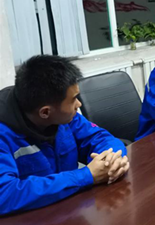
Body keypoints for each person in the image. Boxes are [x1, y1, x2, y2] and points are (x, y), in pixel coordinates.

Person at [0, 56, 129, 215]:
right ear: (45, 112)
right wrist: (85, 176)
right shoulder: (4, 133)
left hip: (70, 211)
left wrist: (112, 160)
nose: (79, 104)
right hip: (30, 224)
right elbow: (4, 194)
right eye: (73, 100)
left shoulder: (64, 116)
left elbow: (100, 138)